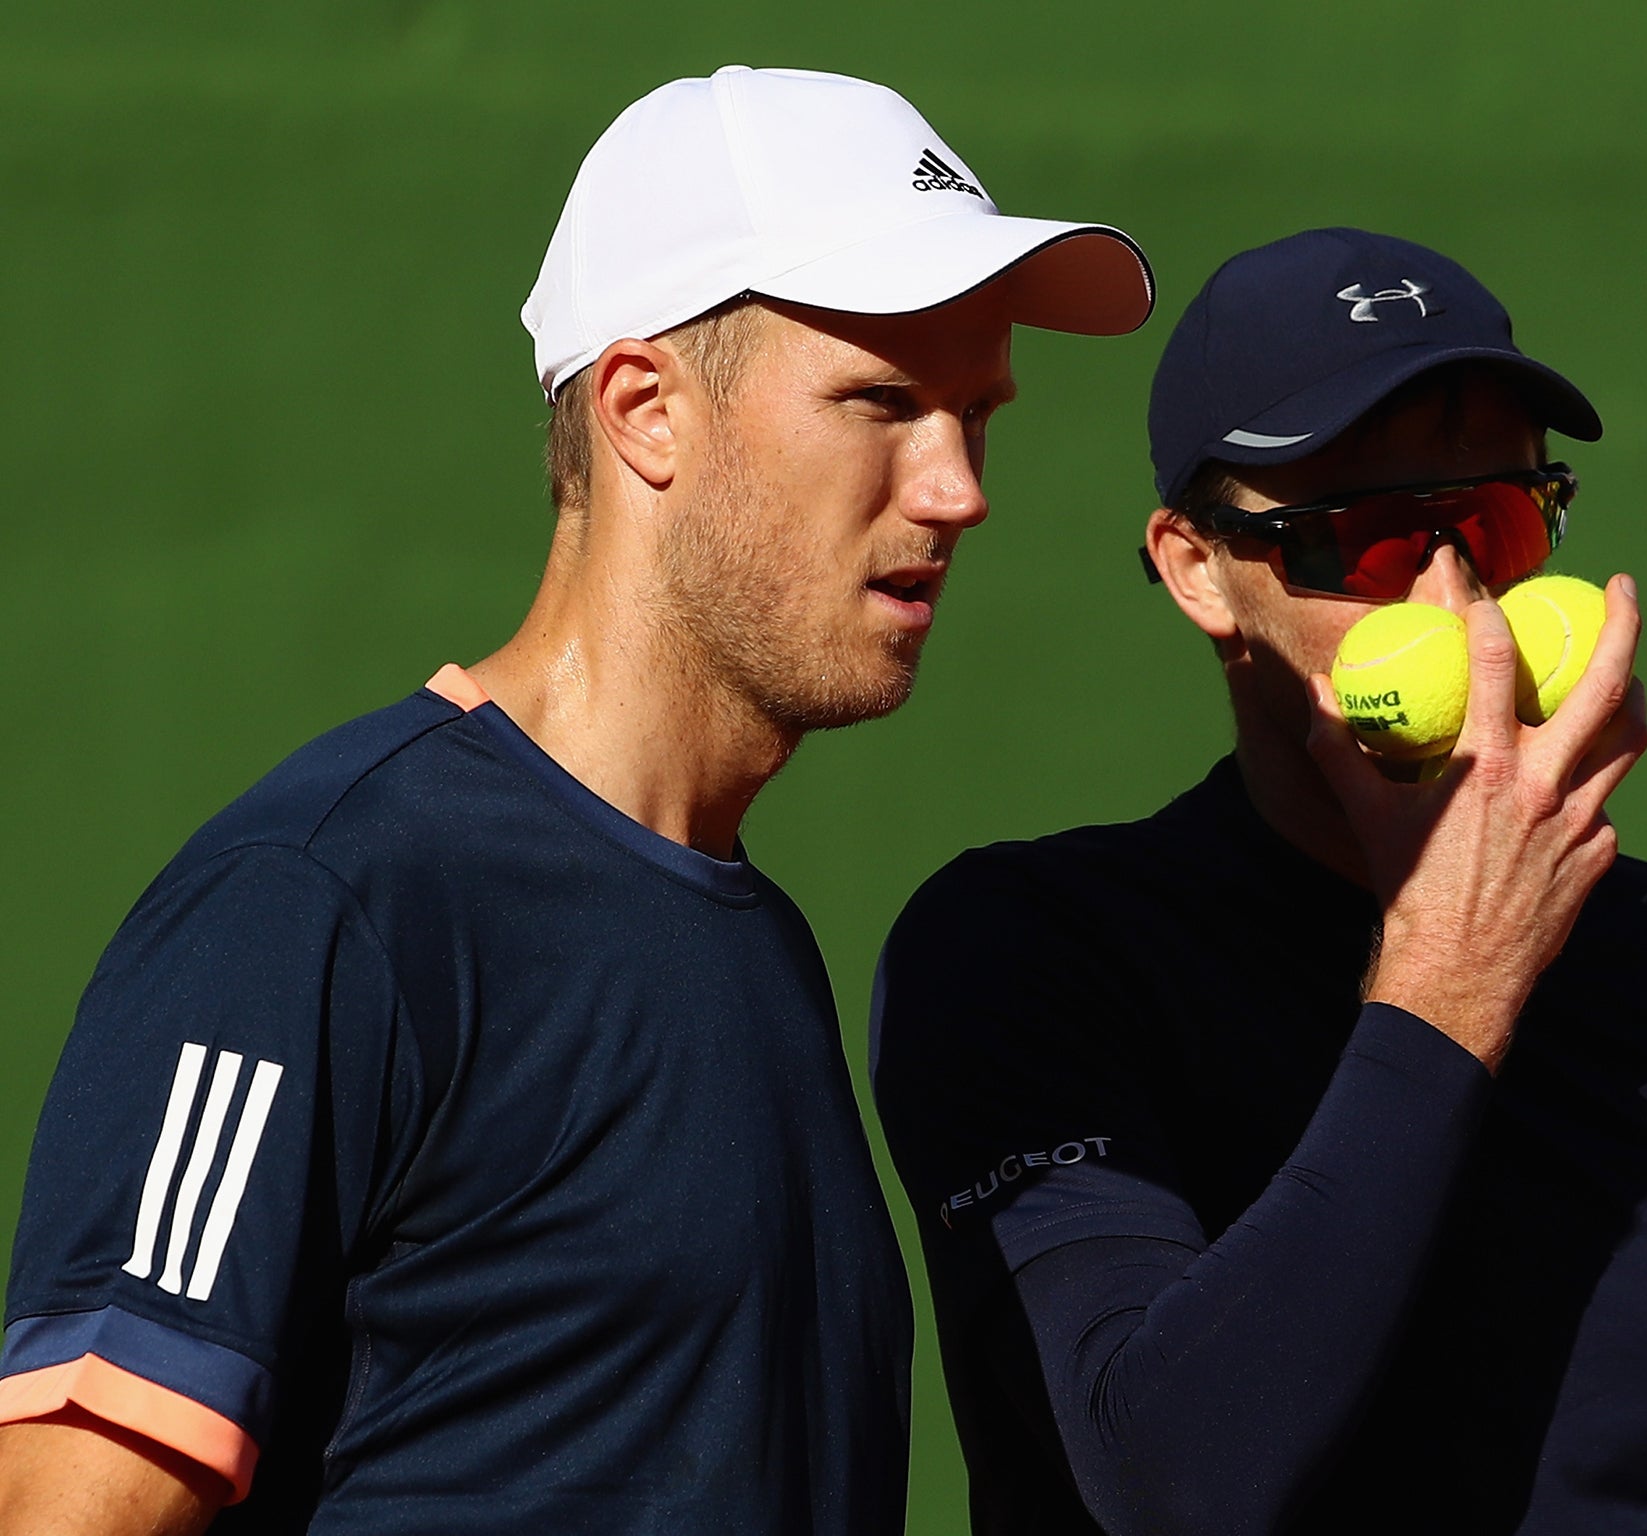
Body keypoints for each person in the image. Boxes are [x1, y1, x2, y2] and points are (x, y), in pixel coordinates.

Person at [0, 66, 1151, 1535]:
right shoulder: (319, 900)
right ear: (645, 411)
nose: (957, 488)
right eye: (882, 402)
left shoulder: (753, 939)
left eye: (973, 415)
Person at [871, 228, 1647, 1534]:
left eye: (1497, 519)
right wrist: (1449, 990)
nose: (1456, 596)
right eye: (1374, 542)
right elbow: (1168, 1485)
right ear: (1196, 569)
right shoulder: (1032, 953)